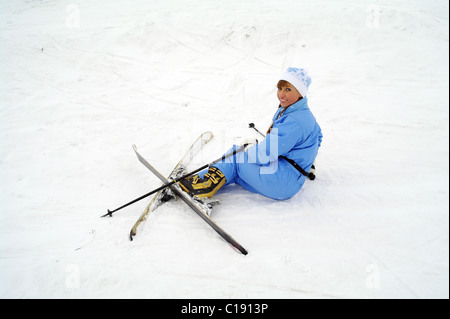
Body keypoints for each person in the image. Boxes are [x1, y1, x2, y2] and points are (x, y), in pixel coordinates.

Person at [179, 67, 323, 200]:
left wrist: (249, 149)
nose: (282, 94)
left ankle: (202, 187)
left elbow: (264, 155)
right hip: (289, 181)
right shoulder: (302, 113)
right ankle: (200, 179)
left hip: (280, 180)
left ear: (300, 93)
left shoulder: (294, 120)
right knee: (235, 171)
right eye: (279, 88)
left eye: (288, 89)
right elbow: (318, 137)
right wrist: (307, 162)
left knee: (236, 156)